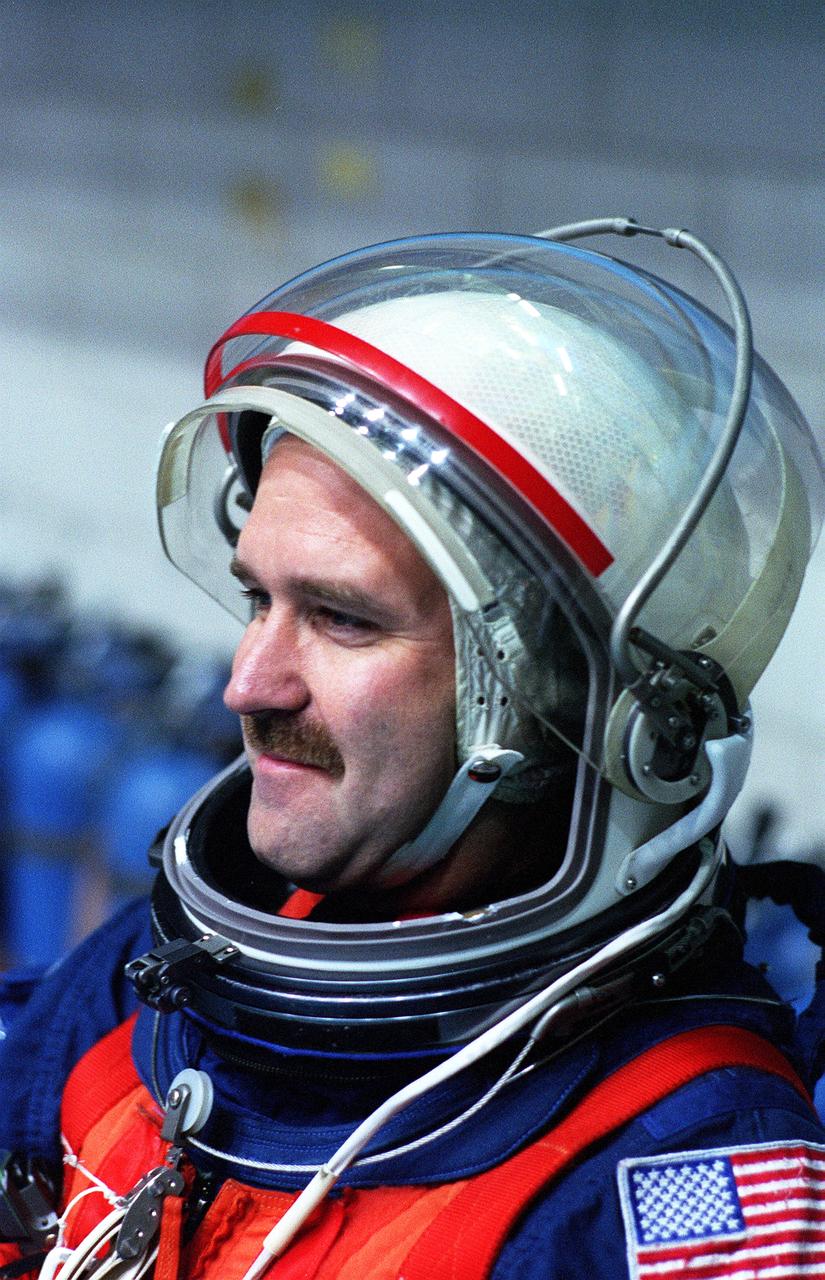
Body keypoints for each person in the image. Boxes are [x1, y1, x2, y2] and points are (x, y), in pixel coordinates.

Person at [2, 216, 825, 1280]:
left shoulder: (674, 1178)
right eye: (258, 599)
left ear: (554, 696)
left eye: (342, 618)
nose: (248, 683)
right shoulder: (157, 982)